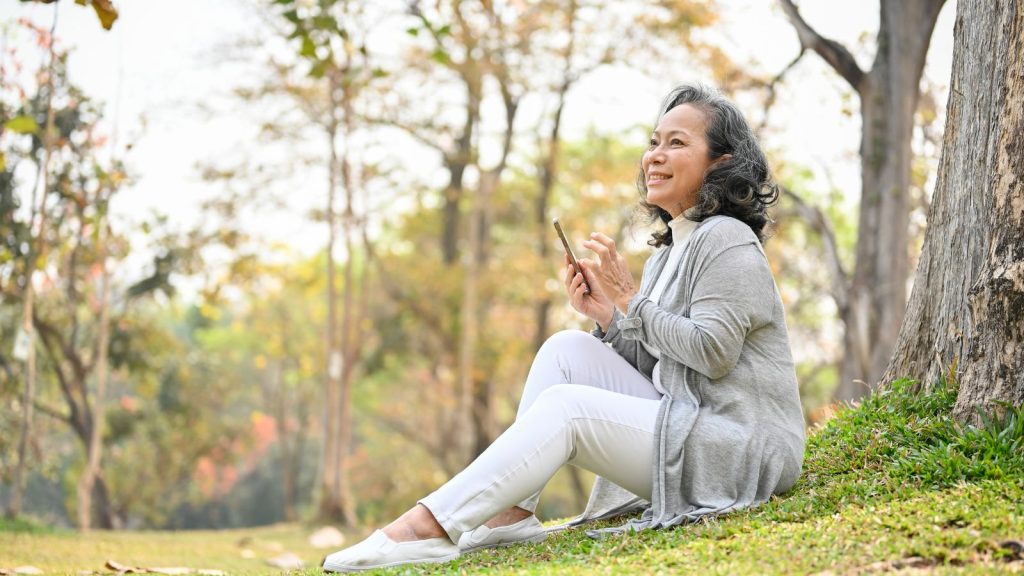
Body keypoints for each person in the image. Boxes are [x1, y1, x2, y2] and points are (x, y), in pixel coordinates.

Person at [322, 83, 806, 573]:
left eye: (676, 143)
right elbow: (668, 371)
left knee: (568, 409)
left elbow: (712, 354)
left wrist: (630, 301)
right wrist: (609, 318)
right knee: (567, 349)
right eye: (654, 142)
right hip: (691, 424)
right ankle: (510, 515)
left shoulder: (727, 238)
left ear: (721, 163)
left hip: (741, 452)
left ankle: (427, 527)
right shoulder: (670, 252)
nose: (655, 157)